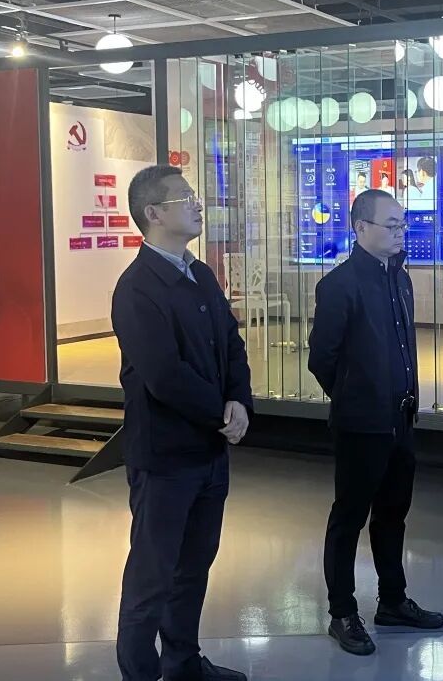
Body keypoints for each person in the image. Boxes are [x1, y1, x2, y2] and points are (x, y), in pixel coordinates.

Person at [113, 165, 253, 681]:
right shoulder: (137, 288)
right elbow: (164, 375)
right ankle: (140, 672)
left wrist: (240, 400)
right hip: (165, 458)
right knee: (152, 575)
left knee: (194, 567)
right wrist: (221, 412)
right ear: (153, 213)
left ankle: (183, 663)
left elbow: (231, 343)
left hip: (209, 453)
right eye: (184, 197)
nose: (197, 204)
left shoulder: (200, 274)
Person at [308, 189, 443, 656]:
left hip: (401, 419)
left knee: (392, 515)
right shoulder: (339, 285)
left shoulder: (400, 278)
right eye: (392, 224)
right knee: (349, 517)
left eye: (403, 224)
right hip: (361, 425)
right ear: (361, 228)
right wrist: (357, 397)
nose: (400, 232)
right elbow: (322, 359)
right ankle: (342, 612)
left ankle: (392, 600)